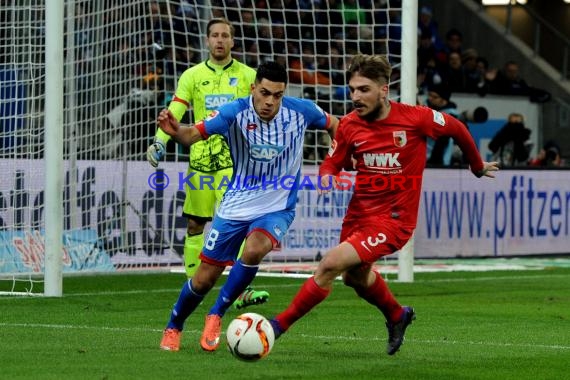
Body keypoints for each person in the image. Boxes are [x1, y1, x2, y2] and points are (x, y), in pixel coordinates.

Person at [269, 54, 499, 356]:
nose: (355, 97)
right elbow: (332, 162)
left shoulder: (416, 118)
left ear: (384, 89)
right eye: (352, 89)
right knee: (354, 278)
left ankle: (274, 328)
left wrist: (476, 165)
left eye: (363, 89)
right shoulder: (350, 125)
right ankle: (397, 315)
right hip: (358, 215)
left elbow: (456, 128)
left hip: (394, 220)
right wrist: (327, 178)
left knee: (329, 265)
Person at [157, 61, 340, 352]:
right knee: (203, 279)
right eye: (264, 93)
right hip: (235, 205)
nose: (270, 101)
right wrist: (174, 131)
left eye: (277, 95)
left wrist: (333, 163)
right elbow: (191, 135)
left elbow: (335, 125)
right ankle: (173, 326)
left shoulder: (302, 111)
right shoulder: (234, 112)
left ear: (284, 93)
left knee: (255, 249)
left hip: (277, 206)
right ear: (253, 88)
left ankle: (216, 313)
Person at [146, 18, 269, 309]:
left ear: (233, 41)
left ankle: (241, 290)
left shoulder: (248, 75)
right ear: (207, 40)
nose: (219, 40)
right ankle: (193, 285)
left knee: (238, 225)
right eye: (214, 35)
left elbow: (264, 111)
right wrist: (160, 140)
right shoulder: (192, 75)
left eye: (225, 35)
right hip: (200, 161)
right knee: (195, 224)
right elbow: (176, 110)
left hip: (234, 162)